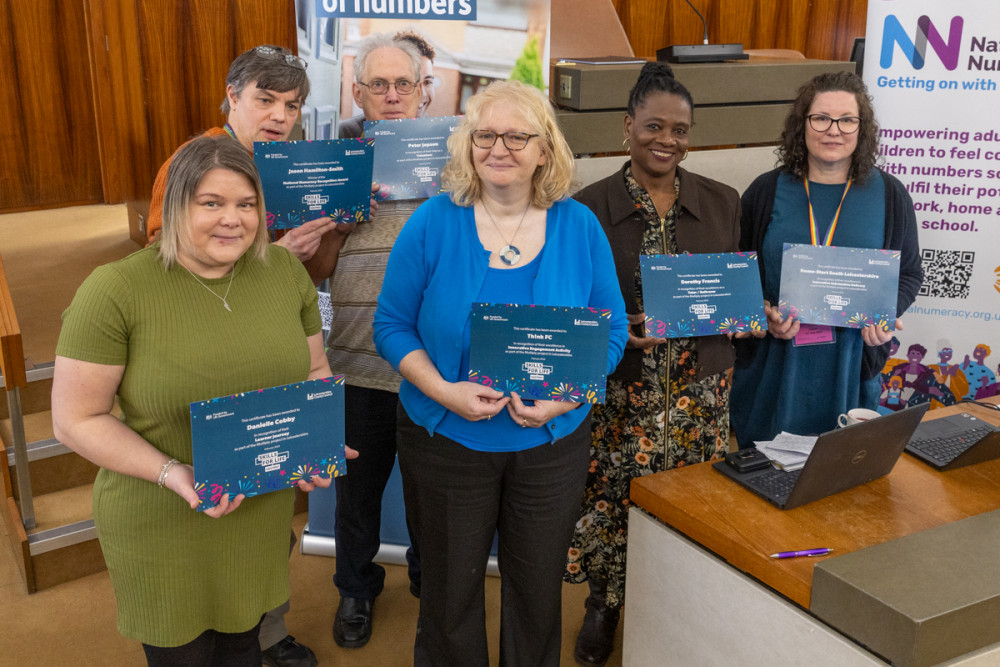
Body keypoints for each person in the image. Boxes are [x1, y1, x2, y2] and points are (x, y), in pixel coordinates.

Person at [51, 135, 345, 667]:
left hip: (256, 511)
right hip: (163, 515)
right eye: (211, 203)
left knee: (243, 648)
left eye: (246, 204)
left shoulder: (282, 273)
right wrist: (174, 473)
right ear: (174, 205)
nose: (232, 220)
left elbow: (316, 371)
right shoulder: (115, 288)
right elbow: (75, 420)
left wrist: (315, 443)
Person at [372, 79, 628, 666]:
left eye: (518, 136)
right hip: (446, 438)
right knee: (448, 592)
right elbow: (390, 325)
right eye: (485, 134)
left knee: (538, 594)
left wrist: (566, 399)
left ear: (545, 149)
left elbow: (611, 331)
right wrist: (443, 390)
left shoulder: (579, 226)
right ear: (467, 145)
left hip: (551, 445)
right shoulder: (434, 222)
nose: (500, 147)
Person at [564, 62, 742, 667]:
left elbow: (736, 291)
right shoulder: (585, 209)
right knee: (615, 504)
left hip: (699, 395)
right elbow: (569, 308)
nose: (667, 139)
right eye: (654, 126)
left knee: (693, 505)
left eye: (681, 129)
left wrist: (748, 308)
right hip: (625, 394)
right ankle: (603, 606)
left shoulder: (723, 203)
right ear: (627, 127)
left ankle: (680, 607)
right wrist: (615, 332)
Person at [303, 33, 424, 650]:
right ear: (358, 93)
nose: (392, 95)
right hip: (354, 364)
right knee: (356, 501)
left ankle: (436, 589)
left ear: (424, 92)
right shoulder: (333, 165)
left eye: (404, 83)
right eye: (379, 84)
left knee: (437, 498)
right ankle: (355, 591)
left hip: (435, 373)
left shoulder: (456, 164)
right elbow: (315, 272)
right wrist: (337, 227)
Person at [730, 70, 923, 446]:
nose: (834, 130)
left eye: (847, 119)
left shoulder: (890, 194)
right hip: (775, 361)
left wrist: (885, 311)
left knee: (840, 473)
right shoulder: (765, 190)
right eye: (821, 118)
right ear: (801, 124)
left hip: (851, 361)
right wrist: (762, 311)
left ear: (861, 127)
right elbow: (739, 273)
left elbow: (910, 272)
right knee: (762, 479)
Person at [146, 45, 337, 267]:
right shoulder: (191, 161)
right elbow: (159, 257)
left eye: (292, 106)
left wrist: (337, 230)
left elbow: (309, 274)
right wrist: (278, 253)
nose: (280, 116)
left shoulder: (294, 166)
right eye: (265, 100)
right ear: (233, 96)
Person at [395, 30, 437, 116]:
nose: (422, 93)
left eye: (427, 82)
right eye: (405, 83)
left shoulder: (435, 128)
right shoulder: (363, 128)